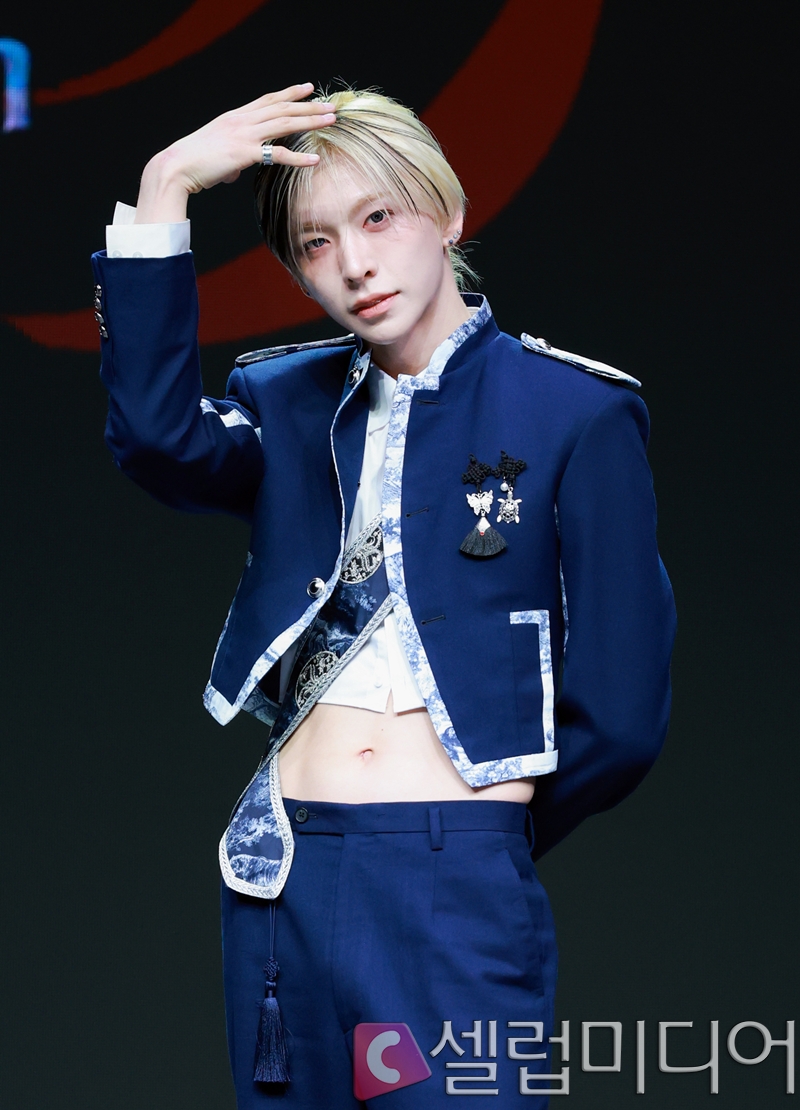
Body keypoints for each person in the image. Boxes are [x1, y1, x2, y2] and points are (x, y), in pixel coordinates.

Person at [93, 83, 676, 1108]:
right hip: (282, 874)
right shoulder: (284, 400)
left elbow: (622, 713)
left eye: (377, 218)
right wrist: (165, 186)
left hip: (453, 878)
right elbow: (155, 440)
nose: (354, 265)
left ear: (446, 214)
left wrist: (477, 838)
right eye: (315, 244)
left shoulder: (576, 411)